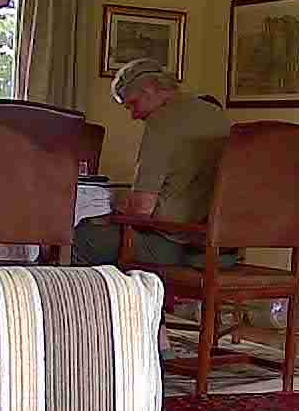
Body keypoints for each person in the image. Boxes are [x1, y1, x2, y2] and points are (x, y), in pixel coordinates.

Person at [73, 58, 232, 266]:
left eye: (133, 104)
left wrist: (116, 205)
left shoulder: (162, 120)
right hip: (220, 251)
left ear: (149, 88)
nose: (134, 115)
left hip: (174, 246)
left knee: (75, 237)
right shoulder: (216, 113)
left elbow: (141, 210)